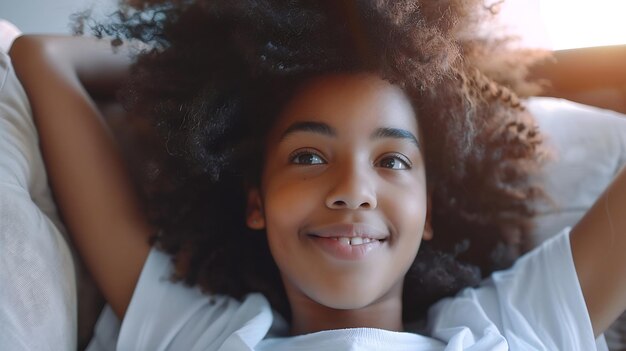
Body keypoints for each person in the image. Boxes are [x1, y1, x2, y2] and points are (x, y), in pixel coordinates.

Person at [8, 0, 626, 349]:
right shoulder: (198, 330)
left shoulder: (509, 328)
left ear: (431, 211)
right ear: (257, 201)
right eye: (307, 156)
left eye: (392, 161)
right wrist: (214, 71)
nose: (353, 190)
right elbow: (41, 58)